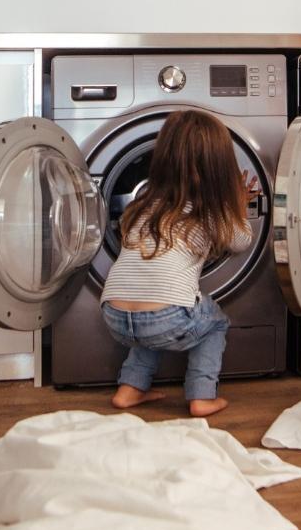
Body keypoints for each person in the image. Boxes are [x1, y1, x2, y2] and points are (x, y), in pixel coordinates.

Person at [100, 109, 258, 417]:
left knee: (151, 307)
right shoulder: (211, 211)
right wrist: (237, 205)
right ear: (220, 168)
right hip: (166, 318)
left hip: (114, 315)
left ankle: (129, 389)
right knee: (214, 323)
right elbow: (241, 241)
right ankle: (202, 396)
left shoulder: (144, 203)